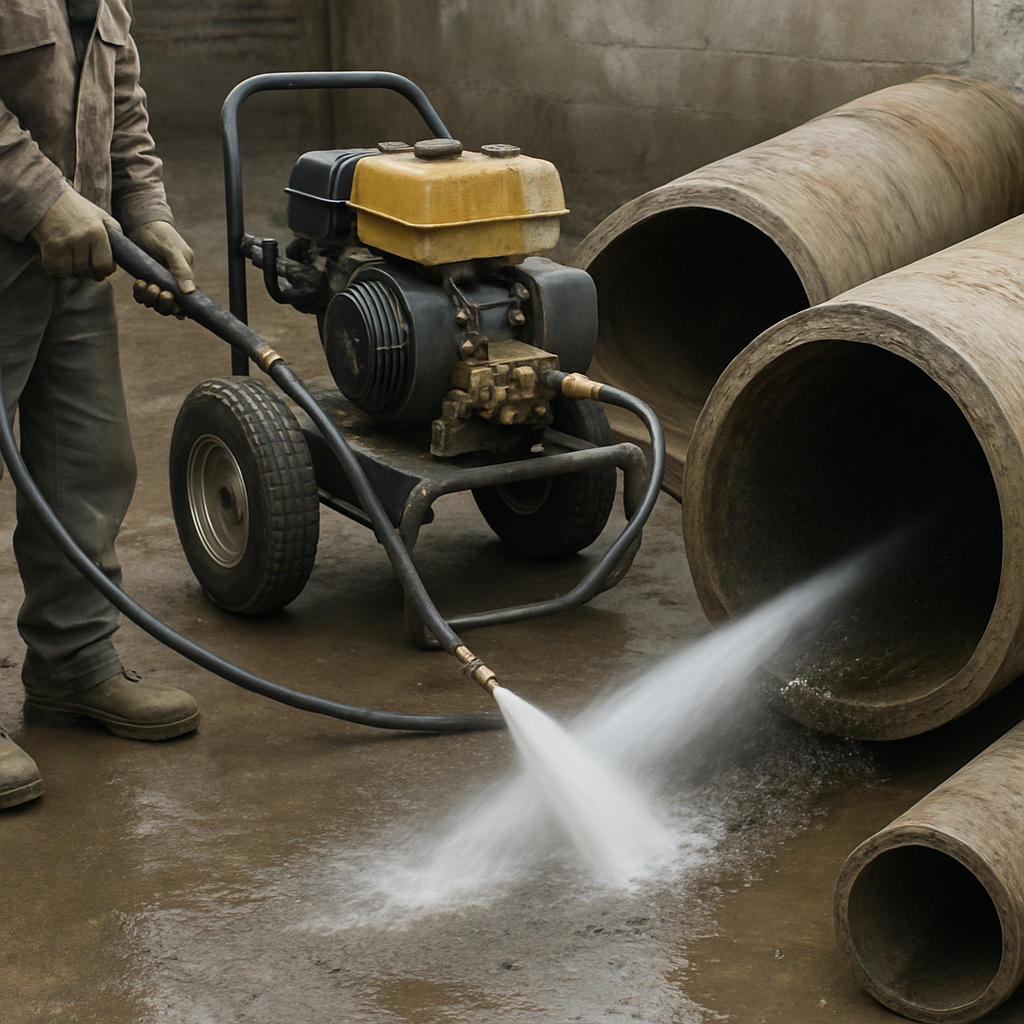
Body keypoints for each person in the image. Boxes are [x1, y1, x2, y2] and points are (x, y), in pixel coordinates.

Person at [0, 0, 200, 810]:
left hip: (70, 256)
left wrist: (144, 213)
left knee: (86, 463)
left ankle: (73, 666)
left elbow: (120, 103)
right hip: (34, 223)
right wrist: (40, 196)